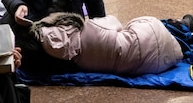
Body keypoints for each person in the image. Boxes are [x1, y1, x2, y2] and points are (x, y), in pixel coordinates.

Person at [30, 12, 183, 77]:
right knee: (149, 23)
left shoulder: (74, 62)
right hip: (150, 39)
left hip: (148, 65)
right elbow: (115, 21)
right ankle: (184, 25)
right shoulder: (90, 28)